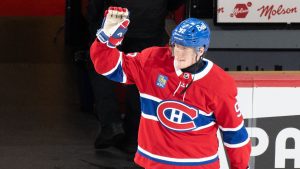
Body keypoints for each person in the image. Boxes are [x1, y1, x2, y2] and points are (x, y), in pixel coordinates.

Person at [90, 7, 251, 169]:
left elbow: (235, 133)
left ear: (201, 50)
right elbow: (108, 67)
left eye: (185, 48)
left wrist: (240, 166)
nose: (177, 53)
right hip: (150, 164)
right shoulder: (152, 61)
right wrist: (105, 39)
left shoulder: (219, 84)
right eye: (175, 46)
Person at [86, 0, 186, 152]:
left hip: (116, 17)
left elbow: (94, 5)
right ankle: (134, 135)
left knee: (99, 61)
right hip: (151, 21)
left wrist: (95, 22)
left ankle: (111, 123)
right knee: (143, 72)